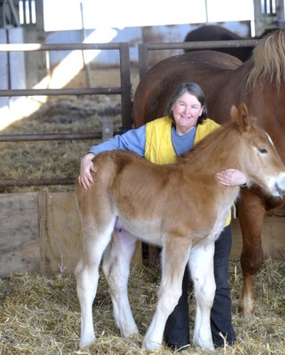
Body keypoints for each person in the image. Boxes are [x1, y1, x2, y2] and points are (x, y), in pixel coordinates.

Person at [78, 82, 244, 349]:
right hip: (173, 218)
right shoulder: (155, 130)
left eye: (193, 106)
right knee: (175, 280)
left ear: (202, 110)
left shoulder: (215, 133)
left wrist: (243, 176)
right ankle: (177, 339)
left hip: (211, 222)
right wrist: (91, 154)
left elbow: (249, 156)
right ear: (173, 106)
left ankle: (221, 338)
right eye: (181, 104)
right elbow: (121, 143)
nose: (186, 112)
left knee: (217, 283)